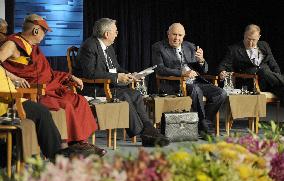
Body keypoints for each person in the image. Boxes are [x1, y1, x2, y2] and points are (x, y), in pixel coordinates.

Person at [0, 14, 106, 156]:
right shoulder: (13, 44)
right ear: (36, 31)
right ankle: (70, 145)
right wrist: (14, 78)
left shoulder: (33, 47)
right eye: (44, 31)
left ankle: (80, 143)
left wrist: (70, 76)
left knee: (79, 100)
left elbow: (47, 74)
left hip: (47, 87)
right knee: (66, 105)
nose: (45, 35)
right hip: (31, 91)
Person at [74, 18, 170, 147]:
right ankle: (144, 134)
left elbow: (117, 68)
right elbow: (89, 74)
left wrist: (131, 75)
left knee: (135, 94)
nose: (117, 34)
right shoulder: (89, 46)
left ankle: (149, 129)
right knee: (124, 96)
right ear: (107, 34)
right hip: (93, 88)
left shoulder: (108, 48)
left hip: (109, 86)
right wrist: (117, 77)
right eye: (115, 31)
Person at [152, 23, 227, 136]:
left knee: (221, 93)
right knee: (196, 89)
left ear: (184, 36)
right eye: (174, 34)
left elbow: (204, 70)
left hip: (195, 81)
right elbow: (160, 69)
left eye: (180, 35)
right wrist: (182, 73)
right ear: (168, 34)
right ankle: (203, 127)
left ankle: (203, 123)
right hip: (173, 83)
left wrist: (201, 60)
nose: (177, 38)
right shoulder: (159, 47)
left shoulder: (190, 46)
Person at [218, 24, 284, 105]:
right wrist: (222, 72)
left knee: (281, 89)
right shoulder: (234, 49)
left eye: (254, 40)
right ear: (244, 35)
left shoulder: (264, 45)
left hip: (269, 82)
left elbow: (273, 64)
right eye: (248, 39)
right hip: (251, 83)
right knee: (263, 71)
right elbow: (223, 65)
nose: (250, 42)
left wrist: (277, 78)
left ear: (259, 37)